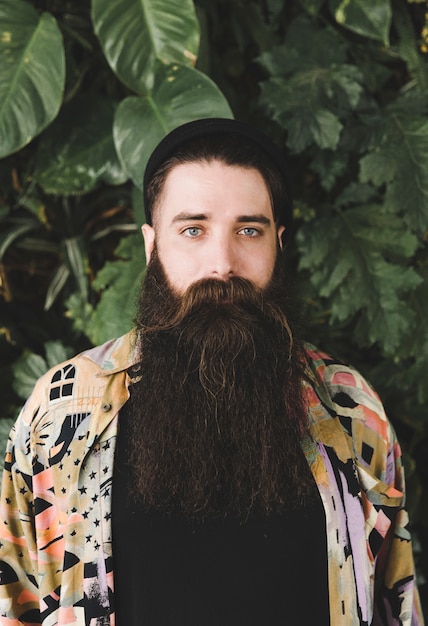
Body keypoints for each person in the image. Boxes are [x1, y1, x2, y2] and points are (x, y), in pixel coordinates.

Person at [0, 118, 424, 626]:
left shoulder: (352, 413)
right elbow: (13, 600)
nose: (222, 263)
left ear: (278, 243)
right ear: (151, 244)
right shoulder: (64, 414)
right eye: (193, 230)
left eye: (248, 230)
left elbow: (394, 605)